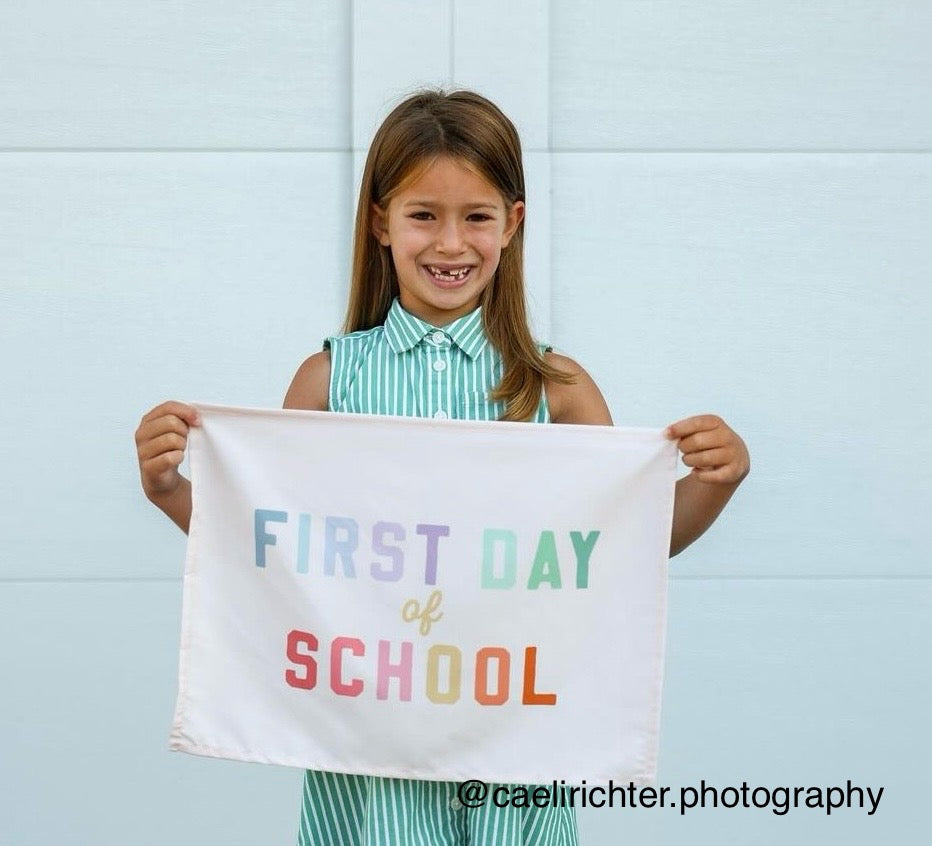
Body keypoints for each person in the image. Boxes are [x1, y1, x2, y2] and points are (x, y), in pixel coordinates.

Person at [135, 89, 749, 845]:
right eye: (424, 214)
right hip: (369, 744)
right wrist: (171, 491)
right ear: (380, 222)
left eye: (477, 217)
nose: (451, 243)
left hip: (514, 745)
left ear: (513, 224)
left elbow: (616, 553)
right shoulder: (329, 382)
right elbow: (276, 547)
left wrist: (711, 486)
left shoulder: (558, 388)